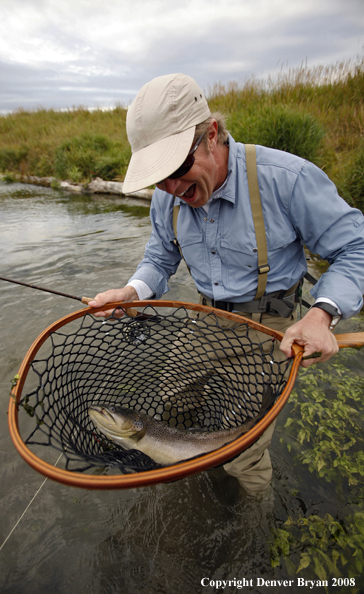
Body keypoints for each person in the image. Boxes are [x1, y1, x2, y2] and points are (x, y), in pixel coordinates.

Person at [88, 73, 364, 493]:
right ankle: (189, 472)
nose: (172, 188)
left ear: (211, 135)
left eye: (178, 169)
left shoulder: (287, 179)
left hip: (271, 329)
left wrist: (322, 316)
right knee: (172, 396)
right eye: (158, 178)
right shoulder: (169, 197)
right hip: (206, 319)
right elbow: (161, 256)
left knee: (243, 451)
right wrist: (133, 291)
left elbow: (356, 247)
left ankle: (253, 531)